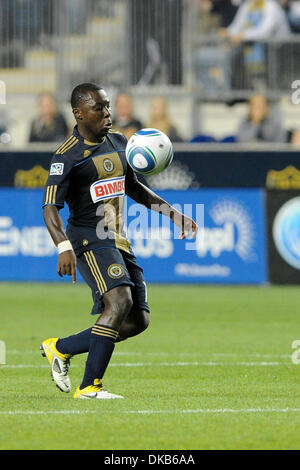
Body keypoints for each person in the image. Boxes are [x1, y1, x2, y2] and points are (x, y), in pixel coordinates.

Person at [40, 83, 197, 399]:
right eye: (99, 108)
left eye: (108, 106)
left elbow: (134, 188)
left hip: (118, 240)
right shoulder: (67, 156)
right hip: (88, 239)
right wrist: (63, 247)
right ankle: (90, 387)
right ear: (79, 113)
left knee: (138, 320)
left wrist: (172, 213)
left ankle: (61, 347)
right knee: (119, 301)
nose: (107, 113)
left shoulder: (119, 141)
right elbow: (49, 207)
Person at [192, 0, 290, 92]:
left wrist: (242, 36)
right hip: (251, 49)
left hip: (277, 51)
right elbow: (237, 26)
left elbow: (264, 31)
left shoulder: (271, 6)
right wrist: (227, 32)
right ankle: (218, 93)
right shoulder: (248, 5)